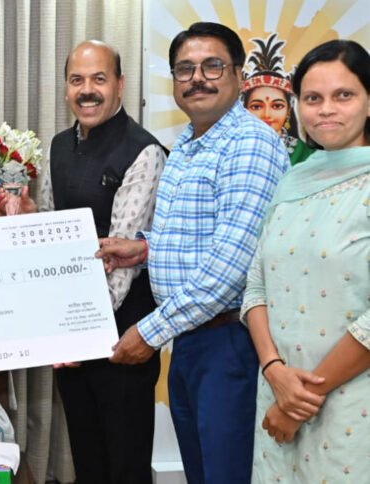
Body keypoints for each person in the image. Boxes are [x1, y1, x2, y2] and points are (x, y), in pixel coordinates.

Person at [96, 22, 289, 483]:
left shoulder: (249, 143)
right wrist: (144, 248)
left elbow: (230, 267)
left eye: (212, 66)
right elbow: (198, 235)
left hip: (231, 343)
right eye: (184, 69)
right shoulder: (189, 142)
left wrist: (149, 332)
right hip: (191, 340)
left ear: (239, 75)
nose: (197, 78)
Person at [242, 39, 370, 482]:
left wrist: (298, 404)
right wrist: (275, 372)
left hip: (352, 410)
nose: (326, 110)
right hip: (276, 400)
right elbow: (256, 286)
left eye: (344, 95)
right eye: (313, 98)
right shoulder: (292, 180)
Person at [40, 40, 166, 484]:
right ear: (66, 88)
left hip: (123, 337)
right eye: (77, 80)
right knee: (88, 460)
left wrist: (77, 333)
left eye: (99, 79)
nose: (87, 90)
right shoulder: (58, 146)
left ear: (120, 85)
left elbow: (122, 261)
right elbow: (50, 235)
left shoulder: (144, 151)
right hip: (73, 335)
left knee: (125, 466)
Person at [242, 33, 314, 165]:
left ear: (288, 111)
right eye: (257, 106)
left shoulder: (306, 155)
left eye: (277, 106)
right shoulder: (229, 149)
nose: (267, 115)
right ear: (244, 110)